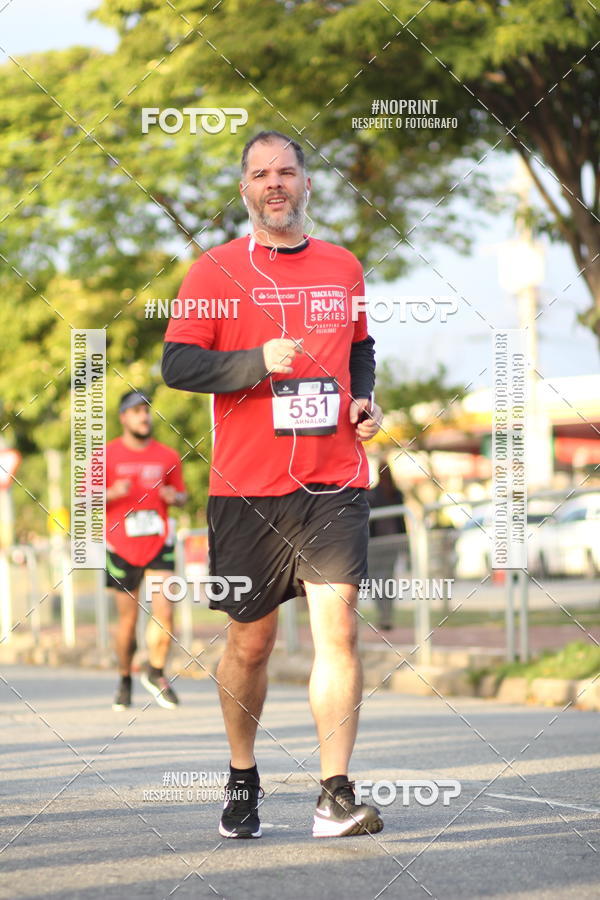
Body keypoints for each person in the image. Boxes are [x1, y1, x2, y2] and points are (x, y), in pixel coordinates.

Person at [162, 130, 383, 839]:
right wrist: (254, 361)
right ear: (245, 190)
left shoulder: (343, 266)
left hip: (332, 481)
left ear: (306, 184)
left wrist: (364, 400)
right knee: (250, 645)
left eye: (286, 171)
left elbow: (360, 347)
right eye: (261, 174)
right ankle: (242, 775)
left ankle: (335, 794)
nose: (275, 183)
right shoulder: (213, 271)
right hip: (246, 489)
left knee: (338, 630)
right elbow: (177, 366)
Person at [105, 390, 187, 711]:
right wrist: (112, 493)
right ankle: (124, 678)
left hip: (158, 542)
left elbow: (182, 495)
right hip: (122, 545)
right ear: (123, 417)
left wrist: (174, 497)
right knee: (127, 620)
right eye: (137, 411)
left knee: (165, 610)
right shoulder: (106, 455)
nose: (144, 416)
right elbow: (83, 500)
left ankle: (155, 671)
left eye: (146, 410)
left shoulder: (167, 455)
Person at [367, 464, 406, 630]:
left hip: (381, 543)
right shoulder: (378, 494)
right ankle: (385, 615)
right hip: (383, 542)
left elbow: (401, 519)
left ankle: (385, 615)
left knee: (379, 580)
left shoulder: (393, 494)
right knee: (384, 580)